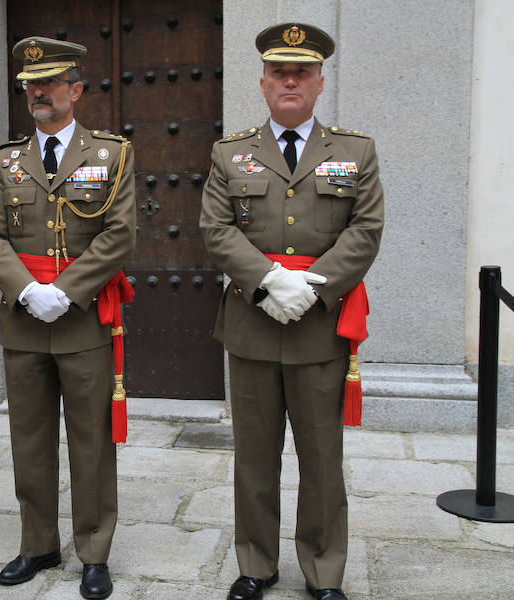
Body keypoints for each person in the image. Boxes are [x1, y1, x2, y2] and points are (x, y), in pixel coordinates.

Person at [199, 23, 384, 600]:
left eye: (301, 71)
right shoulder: (231, 153)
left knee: (322, 459)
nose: (289, 80)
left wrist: (312, 286)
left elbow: (366, 228)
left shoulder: (354, 151)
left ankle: (324, 572)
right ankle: (256, 565)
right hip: (254, 323)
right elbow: (215, 227)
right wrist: (270, 281)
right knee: (254, 457)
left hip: (319, 326)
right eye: (279, 71)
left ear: (320, 82)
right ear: (261, 82)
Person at [0, 36, 136, 600]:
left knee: (90, 440)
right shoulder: (6, 160)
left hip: (82, 317)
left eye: (48, 84)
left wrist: (65, 292)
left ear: (76, 90)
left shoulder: (111, 154)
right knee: (30, 437)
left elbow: (120, 234)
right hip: (23, 320)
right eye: (30, 85)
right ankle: (37, 542)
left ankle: (93, 550)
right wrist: (27, 292)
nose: (38, 93)